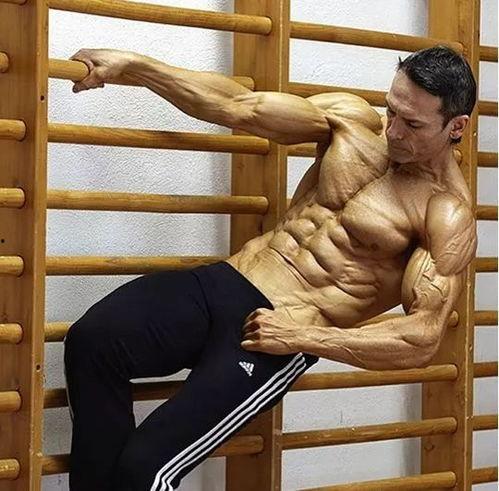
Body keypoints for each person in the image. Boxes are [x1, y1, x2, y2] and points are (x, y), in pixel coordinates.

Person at [64, 45, 477, 490]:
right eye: (391, 109)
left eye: (412, 124)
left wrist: (302, 338)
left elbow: (421, 337)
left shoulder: (445, 213)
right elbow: (239, 105)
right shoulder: (352, 121)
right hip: (228, 281)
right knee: (93, 342)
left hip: (277, 333)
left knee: (144, 469)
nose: (393, 131)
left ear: (456, 126)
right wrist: (138, 66)